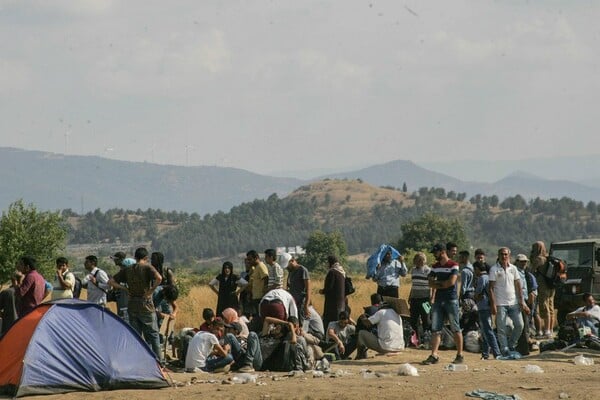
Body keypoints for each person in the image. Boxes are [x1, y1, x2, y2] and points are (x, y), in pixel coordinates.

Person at [109, 247, 163, 361]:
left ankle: (138, 361)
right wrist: (150, 291)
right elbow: (159, 278)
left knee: (137, 335)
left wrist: (125, 288)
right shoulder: (147, 267)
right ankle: (160, 362)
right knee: (153, 334)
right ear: (146, 258)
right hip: (145, 304)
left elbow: (111, 281)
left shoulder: (128, 269)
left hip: (132, 303)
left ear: (135, 257)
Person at [422, 243, 464, 365]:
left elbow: (451, 282)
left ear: (442, 252)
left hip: (450, 300)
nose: (434, 255)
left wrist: (437, 283)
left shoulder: (453, 265)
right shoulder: (435, 266)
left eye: (435, 252)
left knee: (455, 327)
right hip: (439, 300)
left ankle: (460, 354)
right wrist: (441, 283)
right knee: (436, 329)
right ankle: (434, 354)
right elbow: (430, 283)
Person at [489, 247, 529, 356]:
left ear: (509, 256)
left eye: (506, 254)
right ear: (498, 255)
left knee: (520, 325)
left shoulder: (513, 269)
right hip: (500, 303)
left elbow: (518, 286)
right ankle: (505, 349)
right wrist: (493, 304)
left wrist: (522, 302)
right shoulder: (494, 269)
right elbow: (491, 288)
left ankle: (511, 344)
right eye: (502, 254)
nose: (504, 256)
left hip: (514, 302)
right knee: (501, 329)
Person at [473, 260, 501, 359]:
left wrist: (475, 296)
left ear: (477, 269)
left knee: (488, 331)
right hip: (487, 306)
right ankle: (485, 354)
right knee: (485, 331)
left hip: (483, 307)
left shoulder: (482, 278)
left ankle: (496, 353)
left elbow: (478, 293)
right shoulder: (489, 277)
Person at [530, 241, 554, 338]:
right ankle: (550, 329)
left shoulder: (538, 259)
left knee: (544, 307)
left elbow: (531, 271)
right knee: (551, 307)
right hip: (551, 285)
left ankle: (546, 330)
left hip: (543, 286)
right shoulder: (548, 257)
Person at [408, 252, 431, 340]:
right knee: (413, 320)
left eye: (421, 260)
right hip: (415, 299)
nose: (419, 262)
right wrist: (410, 295)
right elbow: (413, 285)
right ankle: (415, 339)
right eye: (417, 260)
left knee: (426, 319)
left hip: (425, 299)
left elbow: (432, 285)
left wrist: (431, 298)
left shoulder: (428, 270)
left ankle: (427, 338)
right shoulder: (413, 270)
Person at [319, 255, 347, 329]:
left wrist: (322, 291)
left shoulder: (332, 272)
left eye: (327, 262)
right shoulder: (341, 272)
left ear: (330, 262)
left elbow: (329, 287)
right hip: (341, 302)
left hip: (332, 303)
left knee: (330, 323)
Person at [286, 255, 311, 323]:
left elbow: (308, 289)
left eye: (288, 266)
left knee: (301, 324)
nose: (287, 268)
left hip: (301, 303)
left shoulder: (303, 270)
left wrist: (306, 306)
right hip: (293, 303)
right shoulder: (290, 272)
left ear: (292, 261)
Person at [246, 250, 269, 318]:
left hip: (260, 297)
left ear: (256, 258)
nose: (249, 261)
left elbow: (266, 277)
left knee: (260, 315)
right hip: (256, 296)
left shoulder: (261, 266)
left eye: (250, 259)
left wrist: (264, 290)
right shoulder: (256, 267)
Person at [111, 251, 130, 319]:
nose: (114, 260)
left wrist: (123, 288)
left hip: (126, 301)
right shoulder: (122, 271)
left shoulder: (125, 271)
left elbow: (110, 282)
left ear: (121, 259)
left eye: (116, 259)